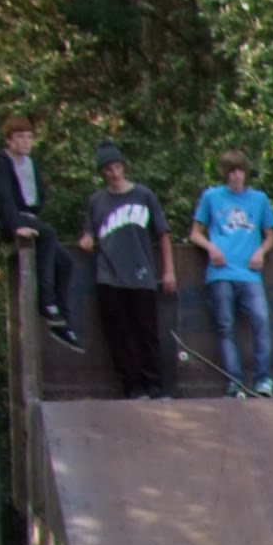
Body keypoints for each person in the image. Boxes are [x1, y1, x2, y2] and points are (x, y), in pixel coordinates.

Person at [78, 141, 175, 397]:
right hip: (109, 275)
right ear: (102, 173)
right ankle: (133, 386)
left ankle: (154, 384)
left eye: (117, 167)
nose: (114, 173)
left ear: (124, 167)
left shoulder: (144, 196)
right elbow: (89, 232)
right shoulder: (96, 201)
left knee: (147, 331)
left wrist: (169, 271)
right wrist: (86, 238)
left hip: (141, 273)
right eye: (108, 169)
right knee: (119, 334)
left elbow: (163, 234)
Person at [0, 114, 82, 351]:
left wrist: (30, 219)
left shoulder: (31, 164)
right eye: (20, 137)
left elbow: (37, 198)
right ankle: (46, 302)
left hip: (29, 219)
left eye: (28, 137)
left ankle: (61, 320)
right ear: (9, 140)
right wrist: (17, 225)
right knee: (47, 233)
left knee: (65, 262)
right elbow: (2, 199)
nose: (25, 142)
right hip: (6, 221)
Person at [187, 149, 273, 396]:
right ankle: (235, 382)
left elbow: (271, 236)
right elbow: (195, 233)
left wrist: (260, 252)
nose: (236, 176)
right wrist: (211, 248)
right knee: (225, 327)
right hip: (221, 272)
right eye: (231, 171)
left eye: (240, 171)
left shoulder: (259, 199)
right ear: (225, 174)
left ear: (246, 172)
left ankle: (263, 380)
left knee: (261, 321)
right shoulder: (211, 196)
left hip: (250, 274)